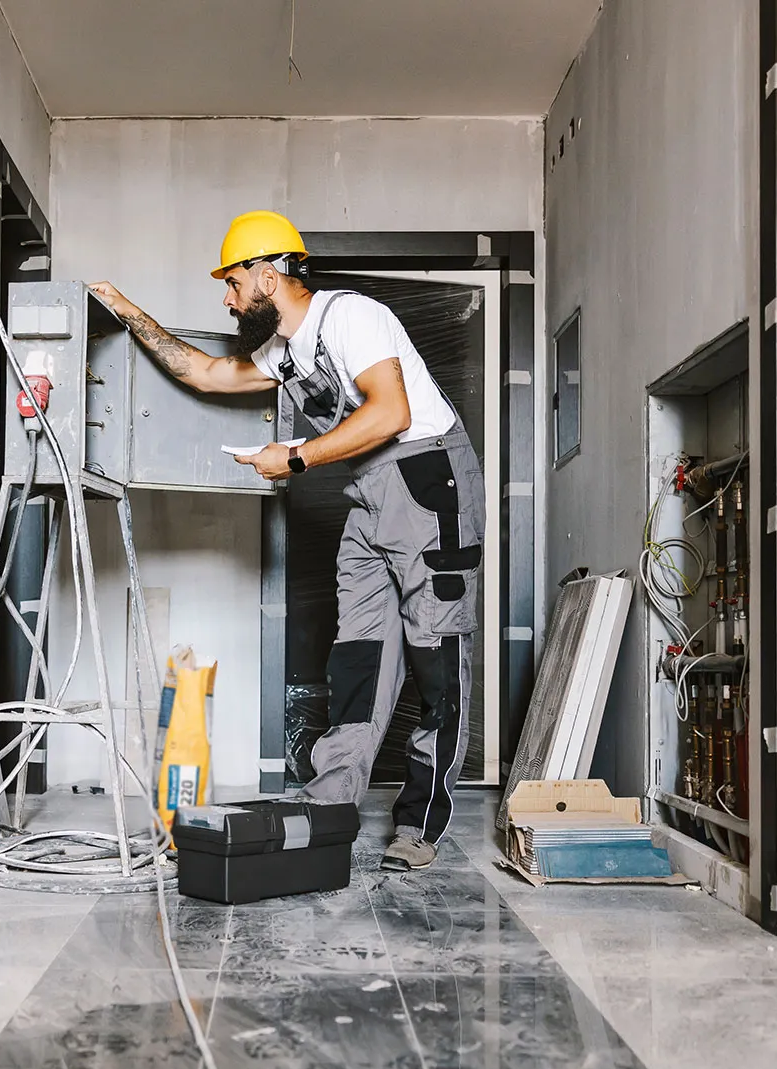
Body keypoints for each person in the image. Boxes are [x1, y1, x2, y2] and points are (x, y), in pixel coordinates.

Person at [90, 211, 485, 873]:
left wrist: (297, 457)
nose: (226, 298)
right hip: (368, 494)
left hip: (427, 481)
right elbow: (205, 374)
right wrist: (130, 312)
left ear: (268, 277)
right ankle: (332, 805)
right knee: (358, 655)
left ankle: (420, 824)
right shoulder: (280, 351)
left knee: (437, 658)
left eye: (233, 282)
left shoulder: (350, 317)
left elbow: (392, 413)